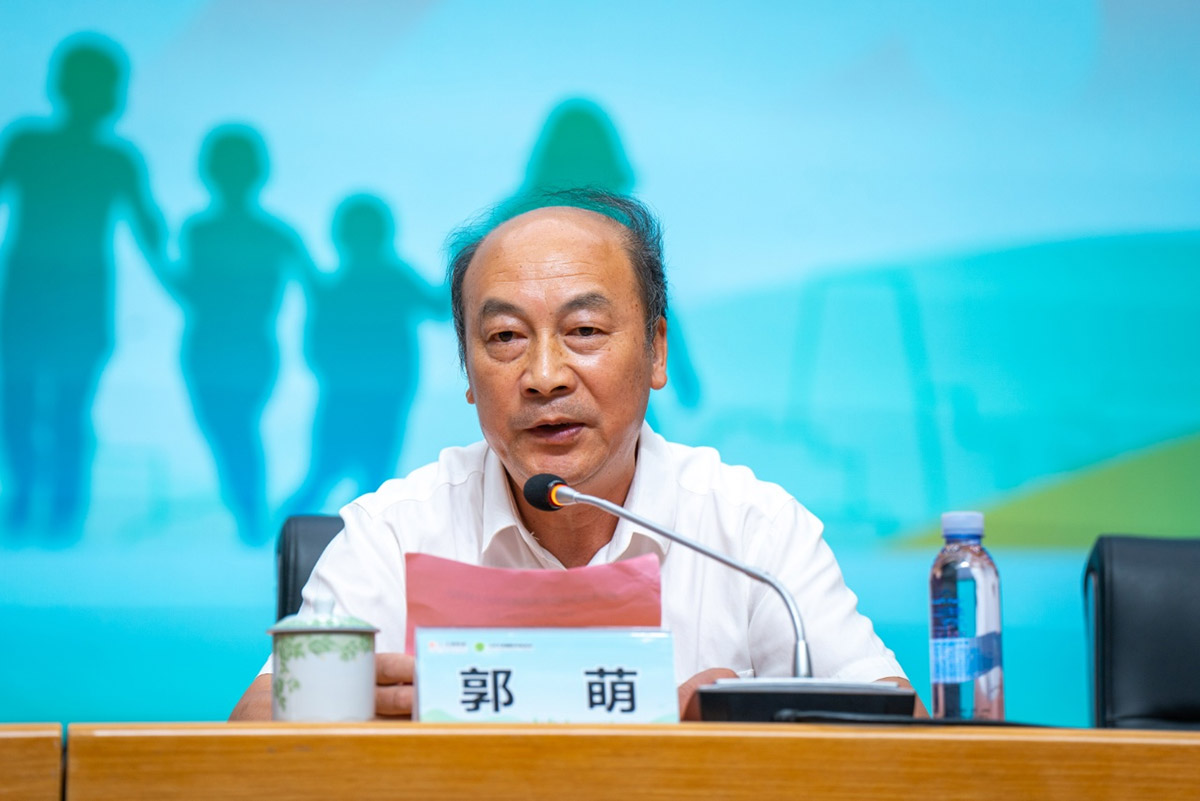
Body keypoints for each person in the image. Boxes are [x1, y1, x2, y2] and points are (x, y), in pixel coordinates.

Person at [231, 190, 923, 720]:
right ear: (468, 374)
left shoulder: (747, 530)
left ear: (656, 351)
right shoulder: (395, 530)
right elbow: (250, 732)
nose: (544, 376)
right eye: (505, 337)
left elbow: (897, 730)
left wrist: (730, 725)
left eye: (584, 330)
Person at [0, 33, 166, 538]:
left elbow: (150, 233)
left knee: (36, 408)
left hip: (45, 305)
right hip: (55, 305)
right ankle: (52, 511)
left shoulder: (37, 145)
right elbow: (152, 234)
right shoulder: (107, 157)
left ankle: (45, 508)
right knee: (49, 409)